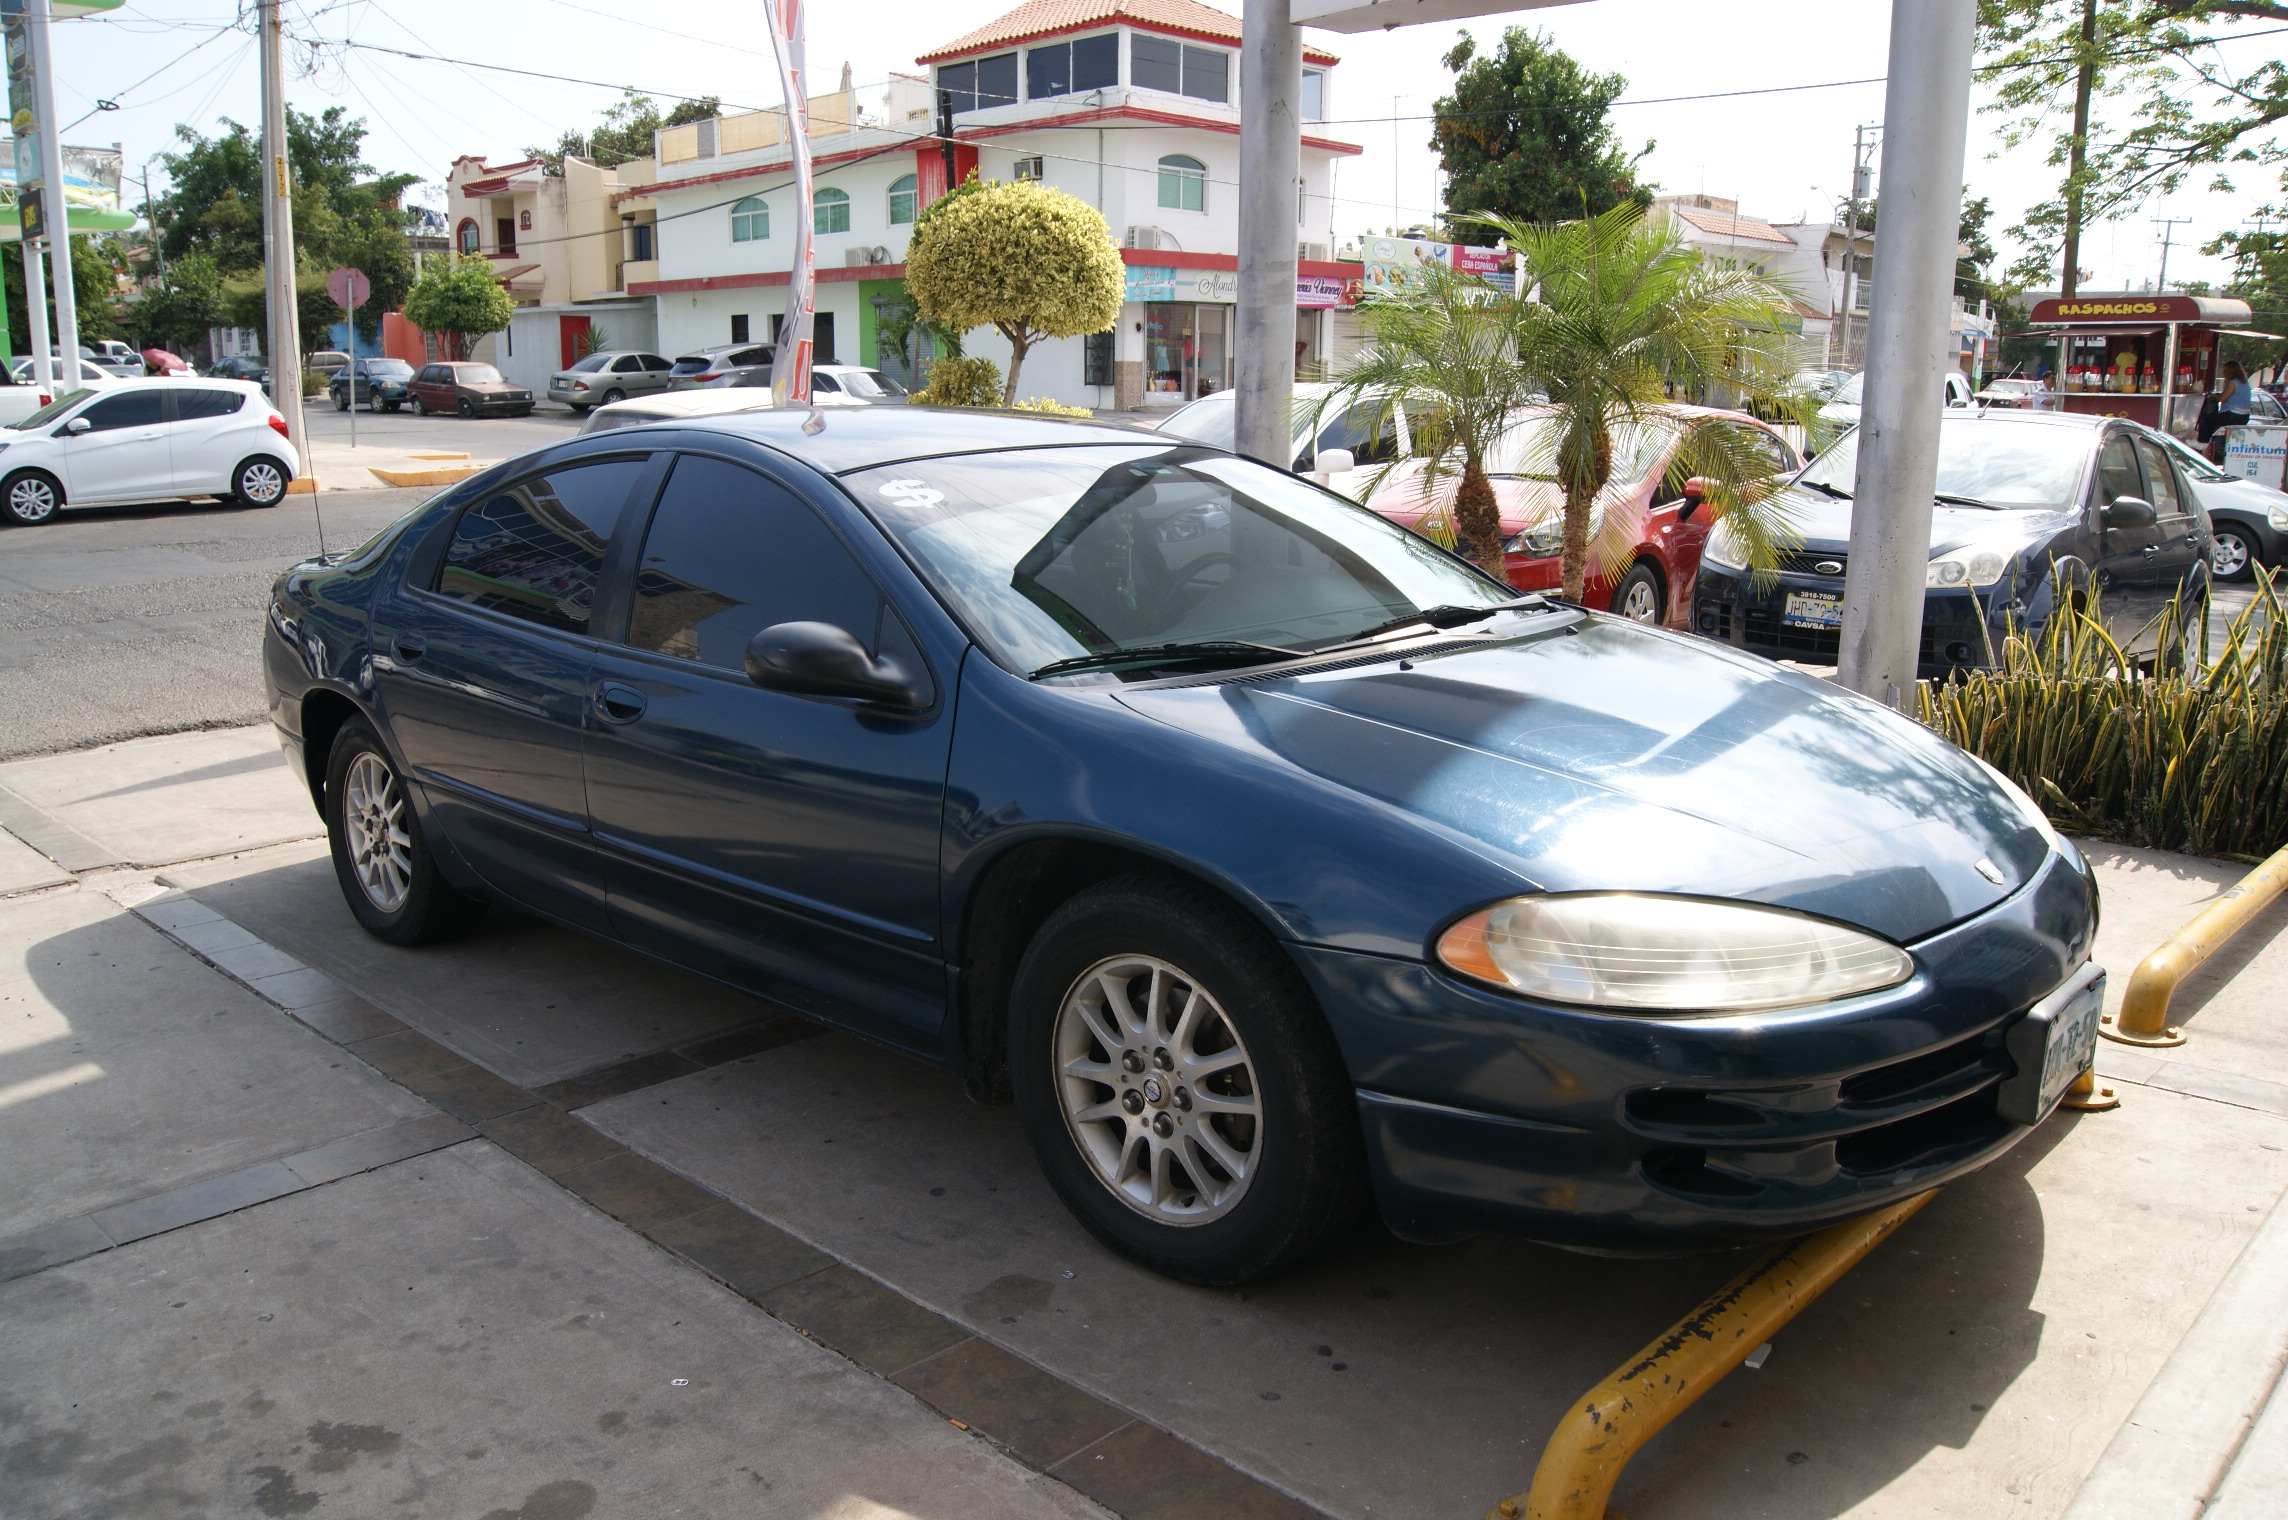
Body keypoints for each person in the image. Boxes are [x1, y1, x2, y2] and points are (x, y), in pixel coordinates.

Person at [2208, 360, 2253, 461]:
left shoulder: (2233, 383)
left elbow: (2222, 399)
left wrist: (2212, 395)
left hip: (2232, 414)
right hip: (2244, 416)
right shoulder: (2245, 383)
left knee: (2208, 422)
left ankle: (2208, 447)